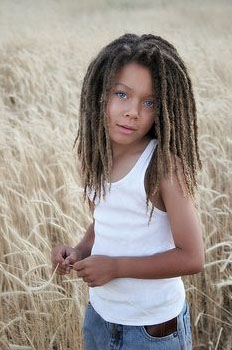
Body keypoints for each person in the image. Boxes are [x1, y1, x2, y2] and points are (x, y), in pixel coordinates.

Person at [51, 33, 205, 349]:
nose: (133, 111)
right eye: (121, 94)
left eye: (149, 102)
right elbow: (105, 223)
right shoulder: (98, 156)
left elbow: (192, 257)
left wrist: (117, 267)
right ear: (99, 95)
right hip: (101, 317)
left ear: (163, 109)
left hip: (152, 330)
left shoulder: (162, 167)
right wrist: (80, 251)